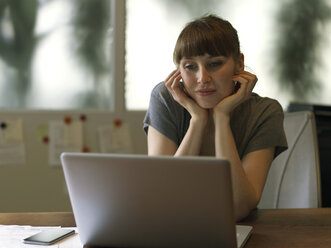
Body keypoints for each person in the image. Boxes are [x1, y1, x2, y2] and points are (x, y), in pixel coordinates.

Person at [143, 14, 287, 221]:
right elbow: (162, 198)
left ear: (239, 63)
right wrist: (197, 121)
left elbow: (237, 209)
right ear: (179, 71)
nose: (203, 78)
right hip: (171, 228)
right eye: (190, 66)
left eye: (214, 64)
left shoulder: (265, 112)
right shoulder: (165, 98)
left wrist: (221, 118)